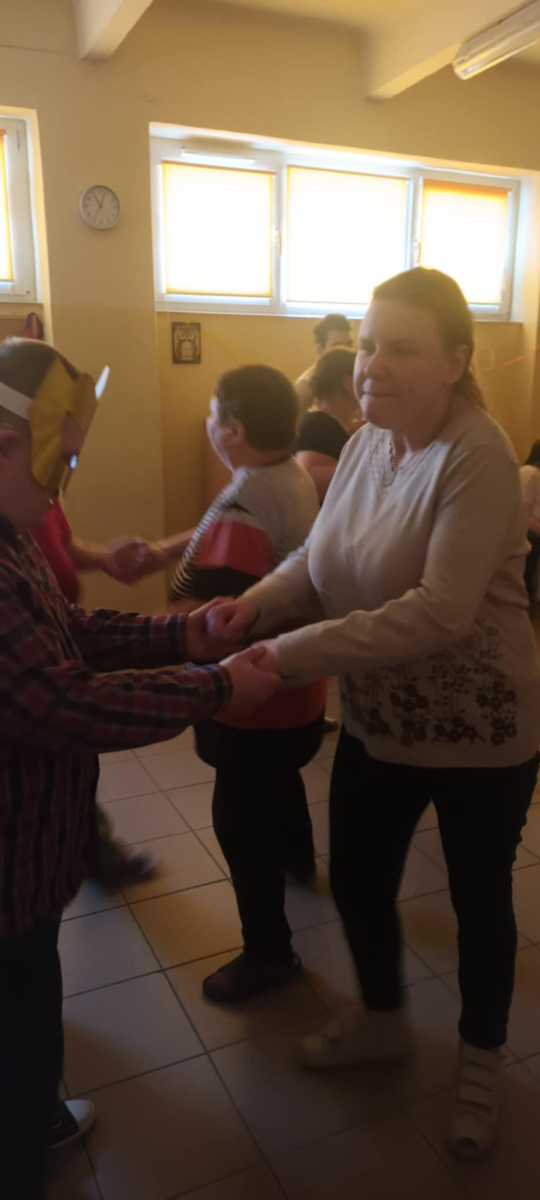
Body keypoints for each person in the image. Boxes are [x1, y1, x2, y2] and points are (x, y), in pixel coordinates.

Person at [208, 268, 540, 1162]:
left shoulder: (477, 456)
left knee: (477, 901)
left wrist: (287, 654)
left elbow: (439, 611)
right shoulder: (364, 445)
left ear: (455, 361)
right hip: (379, 721)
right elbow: (316, 561)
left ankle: (480, 1057)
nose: (372, 366)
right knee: (358, 880)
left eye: (401, 348)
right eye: (365, 344)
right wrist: (259, 604)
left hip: (479, 733)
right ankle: (386, 1022)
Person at [0, 337, 279, 1199]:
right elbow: (61, 701)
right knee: (17, 1021)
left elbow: (71, 635)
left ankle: (32, 1116)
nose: (61, 485)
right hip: (5, 868)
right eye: (59, 459)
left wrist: (182, 633)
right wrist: (213, 686)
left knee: (31, 1007)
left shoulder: (12, 534)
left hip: (32, 855)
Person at [170, 365, 326, 1002]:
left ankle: (269, 952)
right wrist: (165, 550)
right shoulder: (288, 476)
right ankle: (299, 860)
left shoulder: (245, 503)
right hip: (296, 694)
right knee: (277, 782)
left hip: (250, 703)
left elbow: (214, 620)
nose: (209, 424)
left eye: (213, 415)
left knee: (240, 819)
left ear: (232, 429)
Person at [31, 499, 164, 885]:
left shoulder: (40, 493)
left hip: (60, 646)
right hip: (39, 669)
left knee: (72, 768)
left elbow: (63, 547)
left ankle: (95, 852)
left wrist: (104, 557)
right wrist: (214, 686)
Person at [295, 347, 360, 503]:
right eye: (363, 378)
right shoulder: (319, 426)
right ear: (349, 384)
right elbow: (310, 480)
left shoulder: (324, 423)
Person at [294, 313, 353, 415]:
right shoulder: (305, 388)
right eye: (338, 347)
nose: (346, 352)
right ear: (320, 350)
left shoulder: (349, 382)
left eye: (349, 345)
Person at [519, 440, 540, 599]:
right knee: (532, 539)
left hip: (532, 527)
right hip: (522, 529)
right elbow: (521, 515)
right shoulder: (530, 473)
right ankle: (525, 594)